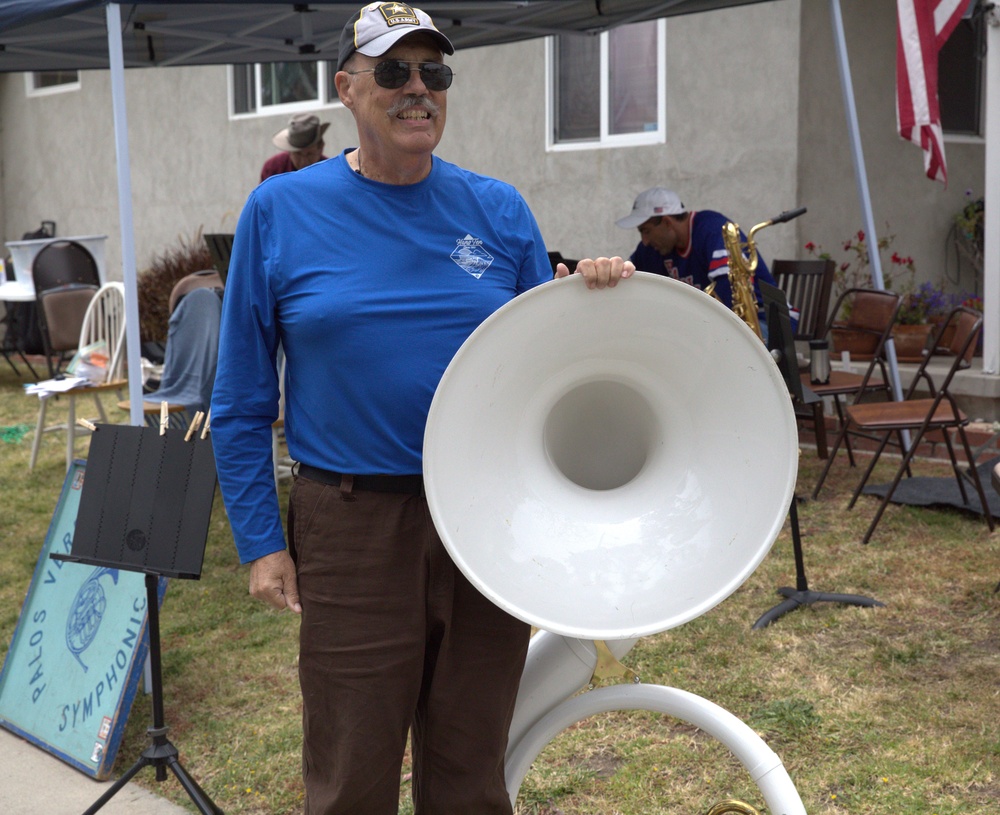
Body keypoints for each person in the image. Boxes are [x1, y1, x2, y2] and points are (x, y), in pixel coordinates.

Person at [211, 3, 633, 814]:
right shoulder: (281, 211)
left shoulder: (498, 209)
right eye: (394, 71)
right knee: (350, 774)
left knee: (472, 769)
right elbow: (239, 399)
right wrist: (262, 540)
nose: (418, 91)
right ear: (347, 88)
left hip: (488, 514)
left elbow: (550, 365)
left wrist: (598, 299)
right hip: (352, 520)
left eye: (434, 73)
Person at [616, 186, 781, 329]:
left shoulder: (713, 230)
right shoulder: (653, 248)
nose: (644, 241)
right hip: (713, 328)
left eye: (646, 231)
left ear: (667, 222)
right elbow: (633, 285)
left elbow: (729, 293)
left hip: (763, 322)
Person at [259, 113, 330, 182]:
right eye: (298, 154)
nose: (304, 161)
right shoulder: (273, 168)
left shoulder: (330, 171)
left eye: (309, 154)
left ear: (320, 148)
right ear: (289, 152)